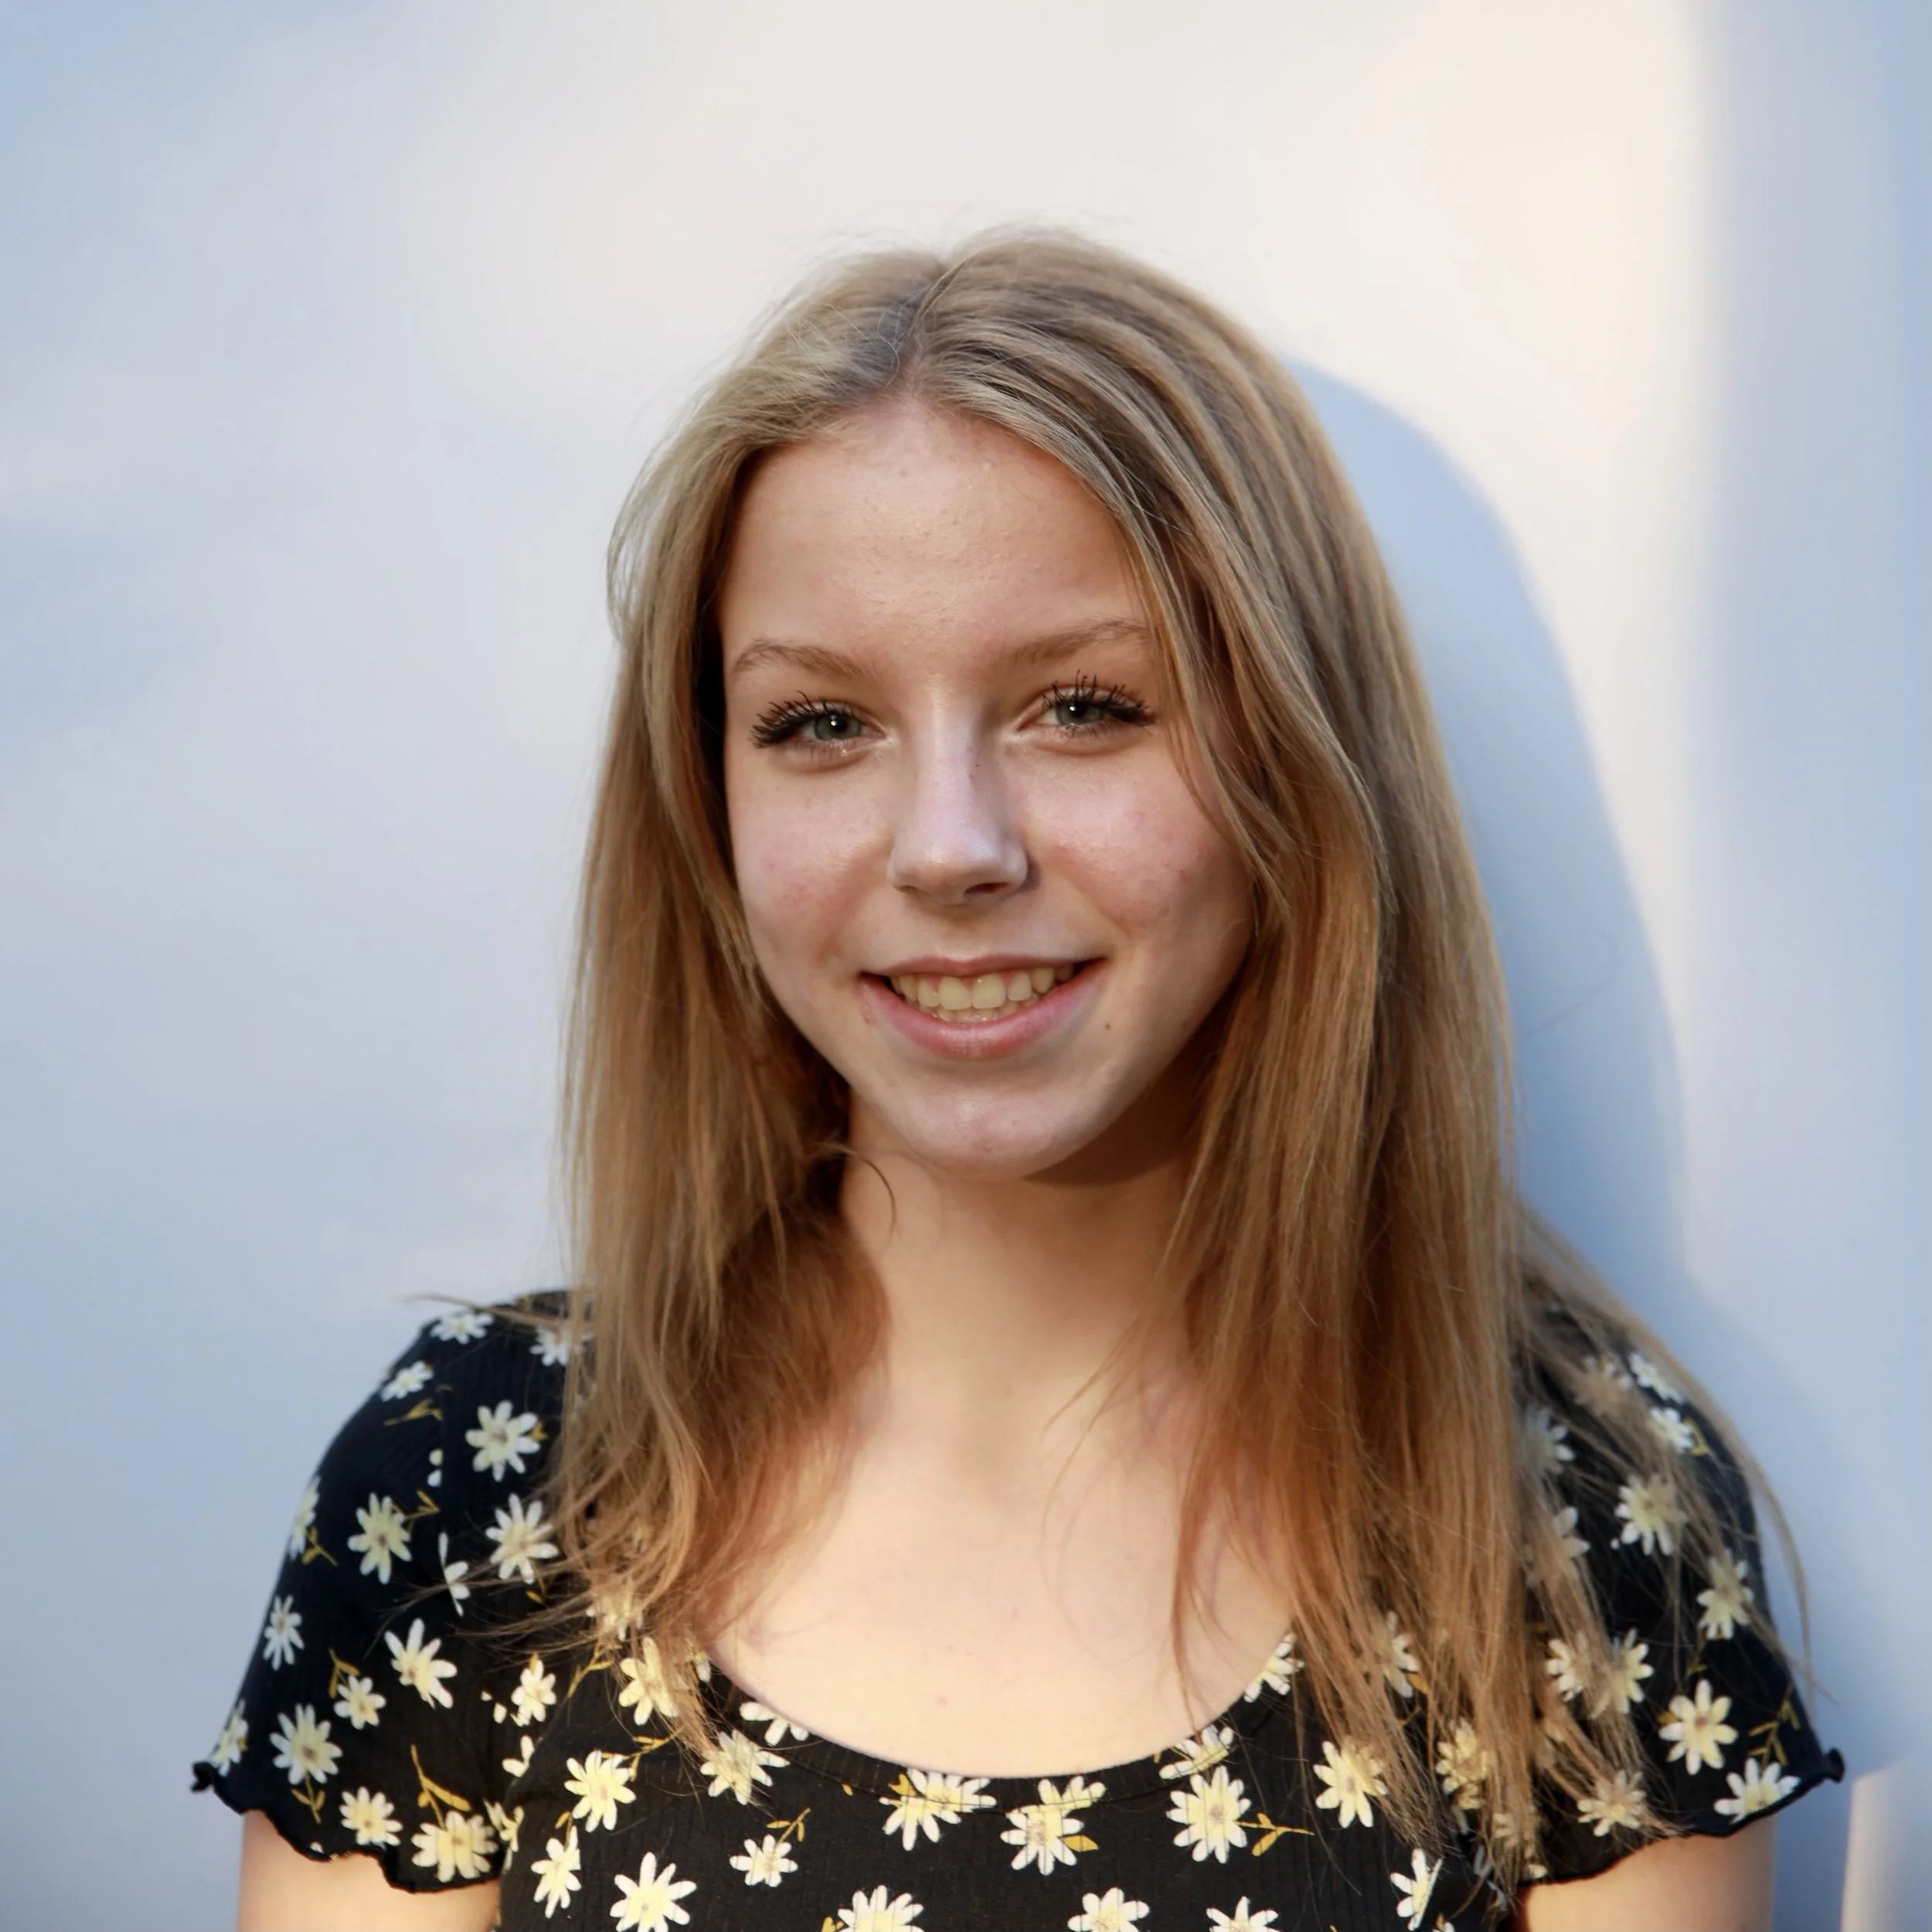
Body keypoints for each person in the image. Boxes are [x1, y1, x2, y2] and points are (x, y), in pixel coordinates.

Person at [195, 232, 1839, 1931]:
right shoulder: (479, 1484)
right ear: (710, 803)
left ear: (1296, 762)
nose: (949, 847)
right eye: (820, 723)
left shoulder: (1566, 1516)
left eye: (1080, 704)